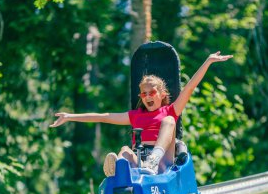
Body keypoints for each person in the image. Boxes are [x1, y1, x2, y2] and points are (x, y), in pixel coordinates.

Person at [50, 51, 233, 176]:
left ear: (162, 95)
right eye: (143, 94)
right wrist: (69, 117)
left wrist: (208, 61)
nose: (147, 97)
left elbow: (190, 87)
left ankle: (152, 161)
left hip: (162, 160)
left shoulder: (170, 110)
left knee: (169, 121)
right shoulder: (136, 115)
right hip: (141, 160)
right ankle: (119, 171)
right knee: (124, 151)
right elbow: (104, 116)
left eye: (151, 93)